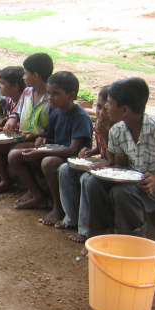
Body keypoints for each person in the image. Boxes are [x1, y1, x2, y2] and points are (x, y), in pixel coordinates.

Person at [82, 77, 155, 254]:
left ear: (124, 109)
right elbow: (121, 166)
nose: (105, 108)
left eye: (109, 104)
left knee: (123, 193)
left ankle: (131, 246)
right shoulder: (118, 131)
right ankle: (98, 240)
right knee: (94, 183)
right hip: (134, 179)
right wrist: (106, 169)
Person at [8, 71, 92, 225]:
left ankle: (58, 208)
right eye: (49, 93)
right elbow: (52, 137)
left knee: (48, 162)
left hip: (74, 159)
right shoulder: (57, 113)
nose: (50, 98)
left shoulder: (80, 116)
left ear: (71, 95)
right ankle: (38, 196)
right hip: (55, 151)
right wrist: (40, 138)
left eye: (55, 94)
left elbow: (74, 149)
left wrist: (41, 151)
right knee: (15, 155)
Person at [0, 52, 53, 195]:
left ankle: (35, 192)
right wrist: (12, 118)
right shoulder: (28, 92)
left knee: (15, 152)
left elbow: (55, 130)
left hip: (40, 140)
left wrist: (37, 135)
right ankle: (5, 180)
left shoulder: (51, 98)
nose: (24, 77)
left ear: (35, 76)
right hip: (23, 136)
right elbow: (17, 110)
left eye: (26, 74)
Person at [57, 86, 115, 243]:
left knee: (86, 179)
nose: (101, 112)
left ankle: (85, 229)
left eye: (106, 108)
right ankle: (71, 218)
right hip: (102, 161)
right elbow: (101, 148)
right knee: (64, 169)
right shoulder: (101, 124)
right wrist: (90, 152)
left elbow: (115, 159)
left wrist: (106, 136)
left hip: (113, 166)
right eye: (98, 106)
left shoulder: (116, 128)